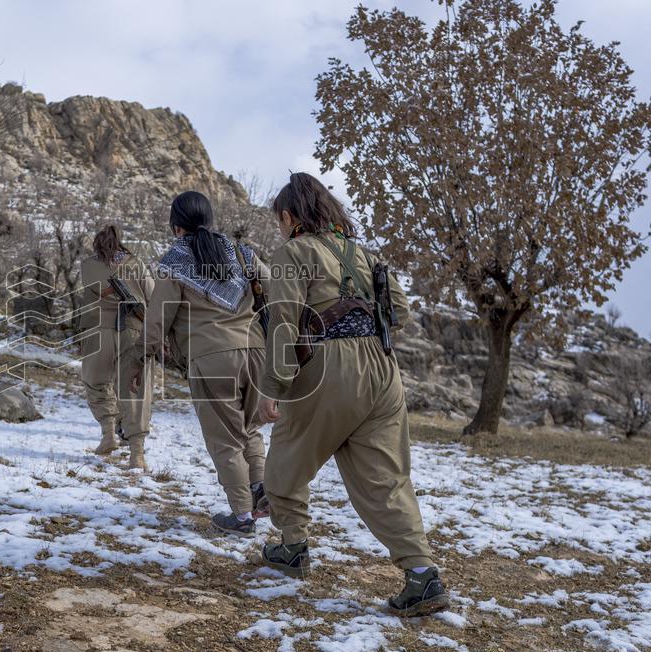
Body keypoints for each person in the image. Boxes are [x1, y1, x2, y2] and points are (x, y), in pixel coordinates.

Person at [257, 172, 449, 617]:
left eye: (279, 221)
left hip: (329, 367)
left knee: (285, 462)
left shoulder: (293, 252)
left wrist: (273, 389)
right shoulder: (364, 252)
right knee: (386, 478)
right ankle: (422, 575)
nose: (279, 230)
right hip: (383, 370)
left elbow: (283, 321)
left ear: (289, 216)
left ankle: (292, 547)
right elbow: (397, 310)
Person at [131, 191, 270, 537]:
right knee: (248, 429)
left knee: (224, 439)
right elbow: (278, 291)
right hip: (255, 354)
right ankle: (262, 490)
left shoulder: (175, 260)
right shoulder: (242, 252)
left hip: (211, 358)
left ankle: (241, 517)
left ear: (176, 226)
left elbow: (158, 318)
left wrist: (140, 357)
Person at [78, 225, 154, 470]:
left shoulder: (88, 265)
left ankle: (109, 434)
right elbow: (153, 297)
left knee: (96, 382)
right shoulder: (136, 263)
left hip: (97, 332)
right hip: (133, 331)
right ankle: (136, 454)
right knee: (134, 391)